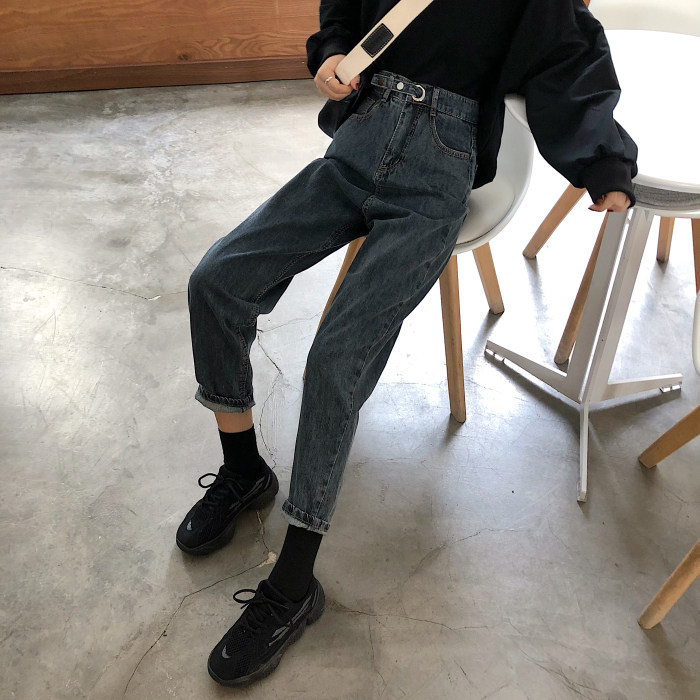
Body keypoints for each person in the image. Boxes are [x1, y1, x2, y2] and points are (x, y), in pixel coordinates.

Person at [178, 0, 637, 687]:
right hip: (357, 142)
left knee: (337, 359)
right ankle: (244, 471)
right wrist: (331, 54)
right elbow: (344, 10)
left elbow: (571, 53)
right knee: (215, 281)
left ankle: (295, 583)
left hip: (436, 177)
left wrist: (605, 165)